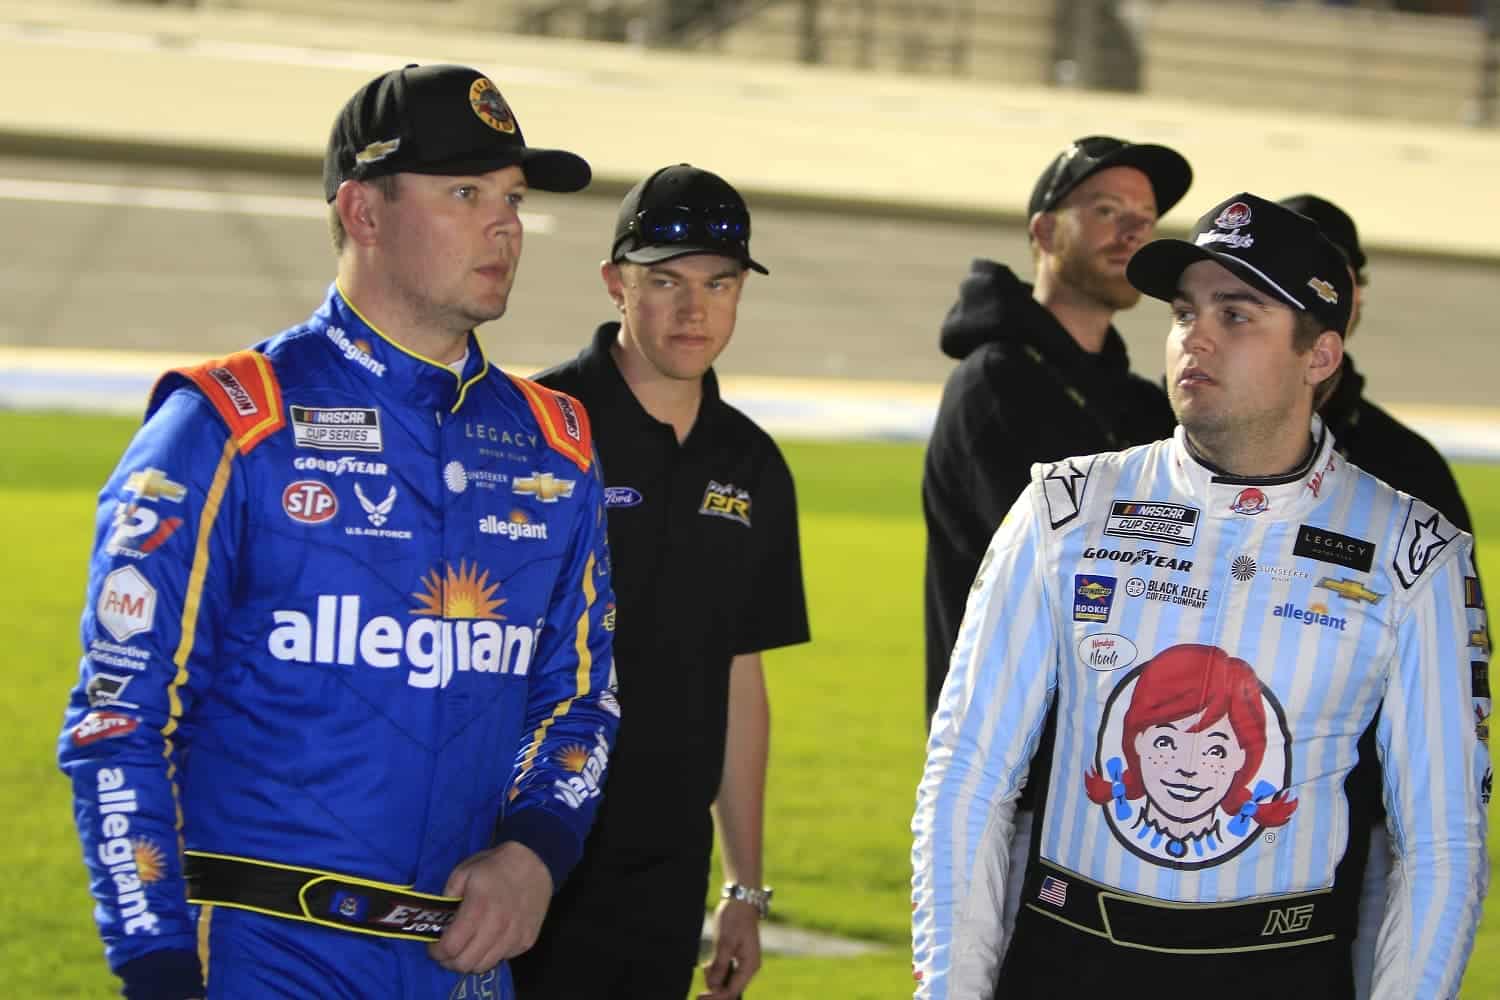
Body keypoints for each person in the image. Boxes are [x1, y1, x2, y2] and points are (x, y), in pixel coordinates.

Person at [57, 63, 619, 1000]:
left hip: (463, 970)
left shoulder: (554, 444)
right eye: (466, 192)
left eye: (513, 197)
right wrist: (155, 967)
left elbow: (580, 700)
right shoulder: (232, 423)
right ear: (363, 211)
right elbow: (120, 719)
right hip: (259, 957)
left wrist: (534, 851)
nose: (507, 224)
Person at [912, 193, 1490, 999]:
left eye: (1236, 314)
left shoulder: (1414, 553)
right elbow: (969, 773)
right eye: (1185, 313)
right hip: (1067, 959)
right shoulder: (1064, 508)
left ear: (1319, 356)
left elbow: (1442, 839)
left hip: (1282, 972)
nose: (1196, 337)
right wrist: (948, 989)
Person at [509, 164, 810, 1000]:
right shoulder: (536, 429)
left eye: (719, 284)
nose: (694, 310)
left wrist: (743, 887)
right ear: (615, 283)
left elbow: (739, 680)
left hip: (666, 876)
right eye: (664, 281)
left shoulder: (752, 462)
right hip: (518, 853)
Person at [921, 134, 1190, 943]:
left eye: (1144, 219)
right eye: (1104, 211)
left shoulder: (1146, 405)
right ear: (1042, 232)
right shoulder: (994, 383)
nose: (1129, 233)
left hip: (1125, 781)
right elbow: (1073, 586)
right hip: (1017, 789)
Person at [1278, 192, 1479, 999]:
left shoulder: (1411, 468)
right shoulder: (1168, 446)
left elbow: (1461, 683)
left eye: (1335, 277)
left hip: (1367, 843)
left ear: (1355, 297)